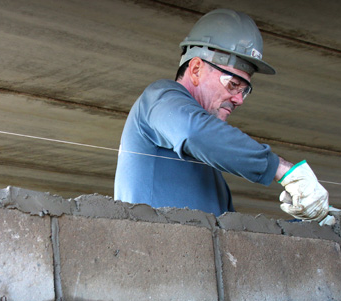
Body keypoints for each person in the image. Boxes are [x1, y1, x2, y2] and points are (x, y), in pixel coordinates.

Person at [114, 9, 329, 221]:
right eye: (233, 84)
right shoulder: (158, 98)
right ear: (196, 69)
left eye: (245, 90)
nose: (239, 99)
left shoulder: (209, 170)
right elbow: (194, 132)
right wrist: (280, 169)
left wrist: (310, 225)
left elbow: (229, 242)